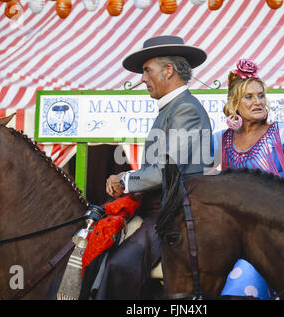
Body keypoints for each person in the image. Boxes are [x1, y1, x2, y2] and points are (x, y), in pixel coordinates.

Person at [84, 35, 212, 299]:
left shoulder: (185, 108)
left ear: (168, 70)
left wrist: (124, 180)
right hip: (159, 209)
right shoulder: (173, 108)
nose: (143, 78)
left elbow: (166, 169)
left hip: (174, 213)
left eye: (146, 70)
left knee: (120, 265)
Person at [215, 59, 284, 299]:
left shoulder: (282, 132)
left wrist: (281, 189)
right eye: (249, 97)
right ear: (234, 105)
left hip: (278, 232)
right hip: (236, 235)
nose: (258, 102)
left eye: (261, 95)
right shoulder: (220, 140)